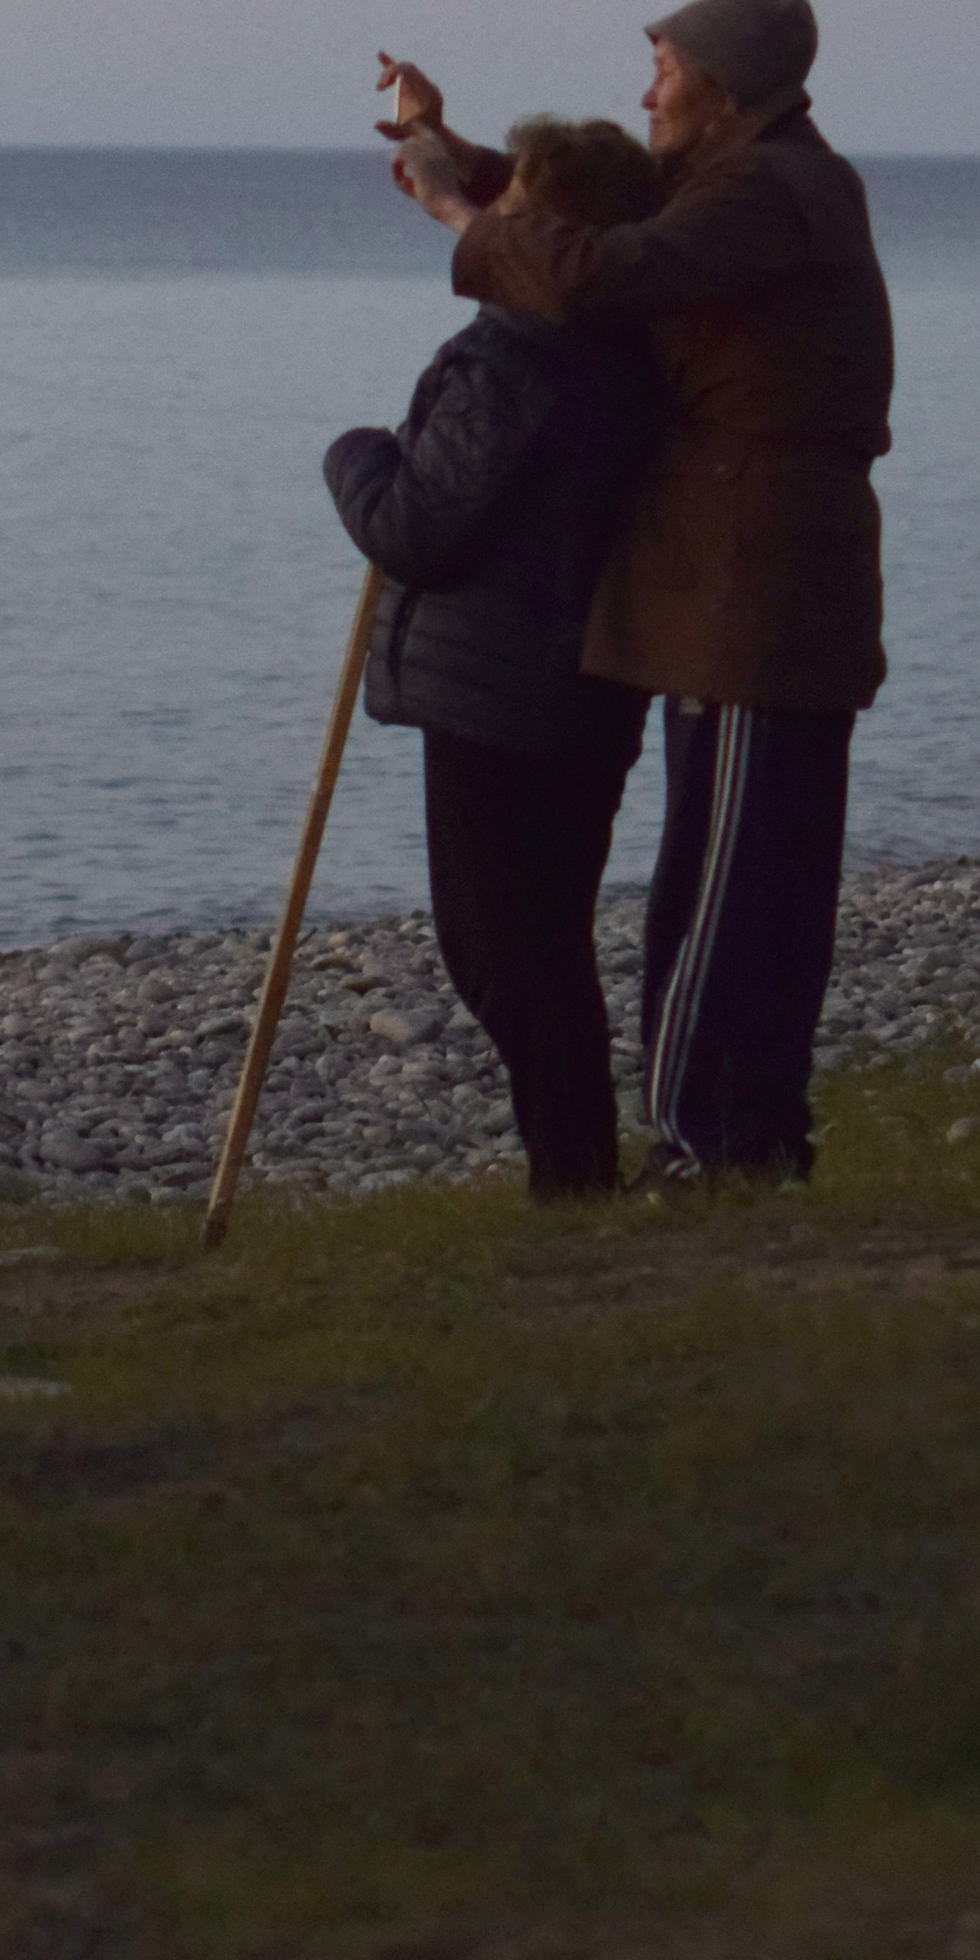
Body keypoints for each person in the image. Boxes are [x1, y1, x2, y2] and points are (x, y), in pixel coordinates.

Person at [377, 0, 893, 1185]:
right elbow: (600, 224)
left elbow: (605, 271)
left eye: (664, 67)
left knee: (731, 880)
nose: (646, 89)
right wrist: (445, 148)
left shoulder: (773, 188)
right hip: (729, 580)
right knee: (735, 867)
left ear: (721, 82)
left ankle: (715, 1142)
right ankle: (734, 1136)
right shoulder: (740, 179)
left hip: (753, 581)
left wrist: (462, 218)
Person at [322, 118, 669, 1200]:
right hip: (576, 684)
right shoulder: (625, 343)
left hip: (498, 692)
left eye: (512, 201)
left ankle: (573, 1177)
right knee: (543, 939)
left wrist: (356, 457)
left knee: (501, 950)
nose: (496, 215)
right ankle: (574, 1174)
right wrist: (443, 148)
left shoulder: (516, 357)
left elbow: (419, 529)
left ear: (546, 229)